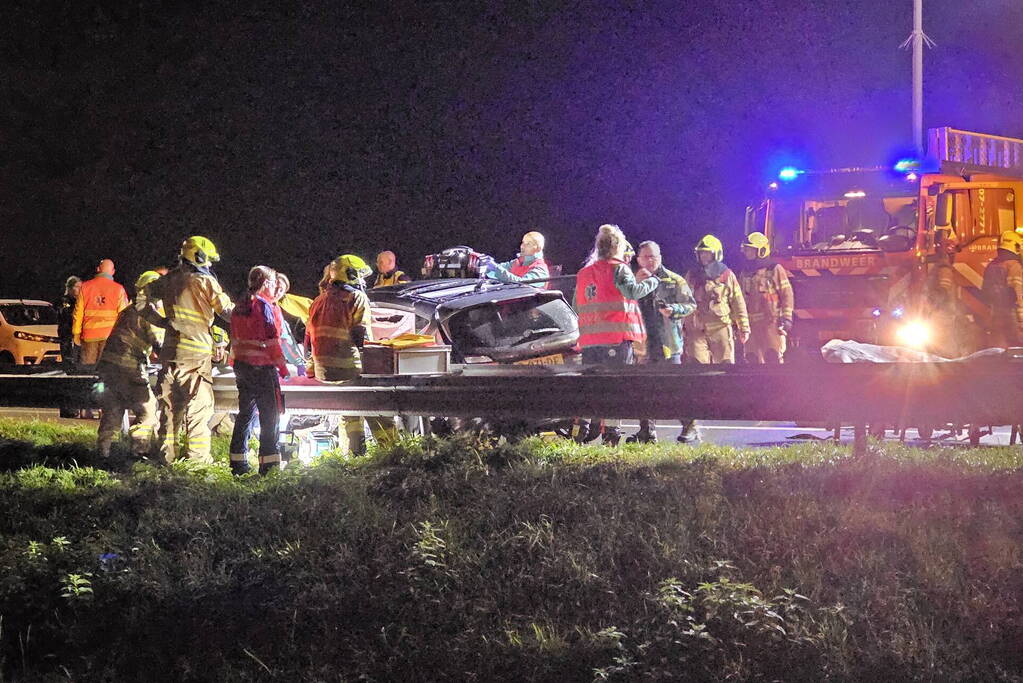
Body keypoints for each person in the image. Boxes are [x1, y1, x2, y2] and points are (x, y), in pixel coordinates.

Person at [147, 236, 234, 464]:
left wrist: (159, 321)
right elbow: (226, 312)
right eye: (209, 261)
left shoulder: (167, 280)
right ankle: (196, 462)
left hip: (171, 353)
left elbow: (141, 299)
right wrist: (248, 316)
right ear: (199, 256)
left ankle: (166, 458)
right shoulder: (204, 282)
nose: (210, 266)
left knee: (168, 408)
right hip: (195, 354)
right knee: (198, 408)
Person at [573, 224, 659, 445]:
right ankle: (611, 435)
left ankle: (580, 430)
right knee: (614, 389)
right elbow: (633, 291)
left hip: (589, 342)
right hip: (614, 340)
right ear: (617, 247)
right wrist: (652, 282)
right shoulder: (617, 269)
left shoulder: (583, 273)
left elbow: (576, 305)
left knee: (590, 387)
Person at [306, 254, 396, 455]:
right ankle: (391, 454)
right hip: (348, 367)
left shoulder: (318, 301)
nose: (362, 280)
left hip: (325, 373)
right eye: (360, 275)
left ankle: (353, 456)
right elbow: (361, 337)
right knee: (378, 406)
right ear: (350, 274)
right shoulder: (356, 297)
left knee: (350, 413)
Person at [680, 234, 749, 443]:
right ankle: (699, 410)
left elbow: (737, 301)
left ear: (716, 254)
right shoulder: (692, 275)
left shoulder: (727, 275)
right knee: (697, 368)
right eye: (701, 253)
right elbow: (683, 298)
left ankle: (727, 406)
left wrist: (743, 326)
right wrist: (681, 324)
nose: (703, 257)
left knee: (725, 367)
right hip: (696, 330)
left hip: (721, 327)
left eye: (707, 253)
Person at [627, 241, 697, 443]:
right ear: (639, 260)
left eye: (654, 256)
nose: (651, 260)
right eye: (646, 257)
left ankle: (689, 426)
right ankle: (647, 432)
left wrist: (674, 310)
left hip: (668, 343)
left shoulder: (674, 280)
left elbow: (690, 304)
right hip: (643, 343)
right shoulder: (633, 281)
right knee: (645, 390)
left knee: (674, 388)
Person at [94, 271, 164, 458]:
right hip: (129, 367)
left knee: (113, 409)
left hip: (108, 367)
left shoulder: (128, 310)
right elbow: (159, 344)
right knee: (148, 410)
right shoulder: (149, 313)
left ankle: (104, 452)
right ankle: (139, 451)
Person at [228, 266, 290, 475]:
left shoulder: (240, 305)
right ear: (265, 283)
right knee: (270, 417)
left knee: (245, 414)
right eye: (273, 283)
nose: (275, 287)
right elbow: (272, 341)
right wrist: (283, 368)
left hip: (242, 367)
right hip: (262, 369)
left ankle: (238, 464)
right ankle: (269, 467)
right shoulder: (263, 306)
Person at [737, 232, 793, 364]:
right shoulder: (744, 272)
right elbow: (739, 300)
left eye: (750, 249)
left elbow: (787, 294)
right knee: (751, 358)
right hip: (750, 326)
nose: (747, 252)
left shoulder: (774, 269)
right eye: (746, 249)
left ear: (761, 251)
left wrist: (787, 318)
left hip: (770, 324)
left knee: (772, 356)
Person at [72, 259, 130, 370]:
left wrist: (76, 333)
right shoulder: (119, 289)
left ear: (98, 269)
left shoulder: (85, 287)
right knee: (107, 372)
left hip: (89, 336)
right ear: (113, 271)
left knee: (88, 373)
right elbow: (124, 315)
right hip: (110, 338)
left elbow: (78, 313)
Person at [981, 230, 1023, 348]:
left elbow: (985, 293)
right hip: (1012, 316)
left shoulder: (992, 266)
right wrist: (1021, 320)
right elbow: (1017, 295)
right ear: (1015, 246)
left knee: (999, 349)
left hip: (996, 315)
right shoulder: (1014, 266)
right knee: (1017, 350)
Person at [483, 231, 550, 288]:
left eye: (528, 244)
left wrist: (495, 268)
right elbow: (496, 271)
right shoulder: (517, 262)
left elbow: (522, 284)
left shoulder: (540, 269)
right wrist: (485, 266)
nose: (522, 246)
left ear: (538, 248)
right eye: (523, 242)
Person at [56, 276, 83, 417]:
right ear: (70, 288)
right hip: (68, 340)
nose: (79, 290)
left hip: (77, 341)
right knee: (69, 373)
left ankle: (78, 406)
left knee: (79, 372)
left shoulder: (80, 301)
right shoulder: (65, 301)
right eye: (77, 287)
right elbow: (66, 317)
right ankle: (67, 408)